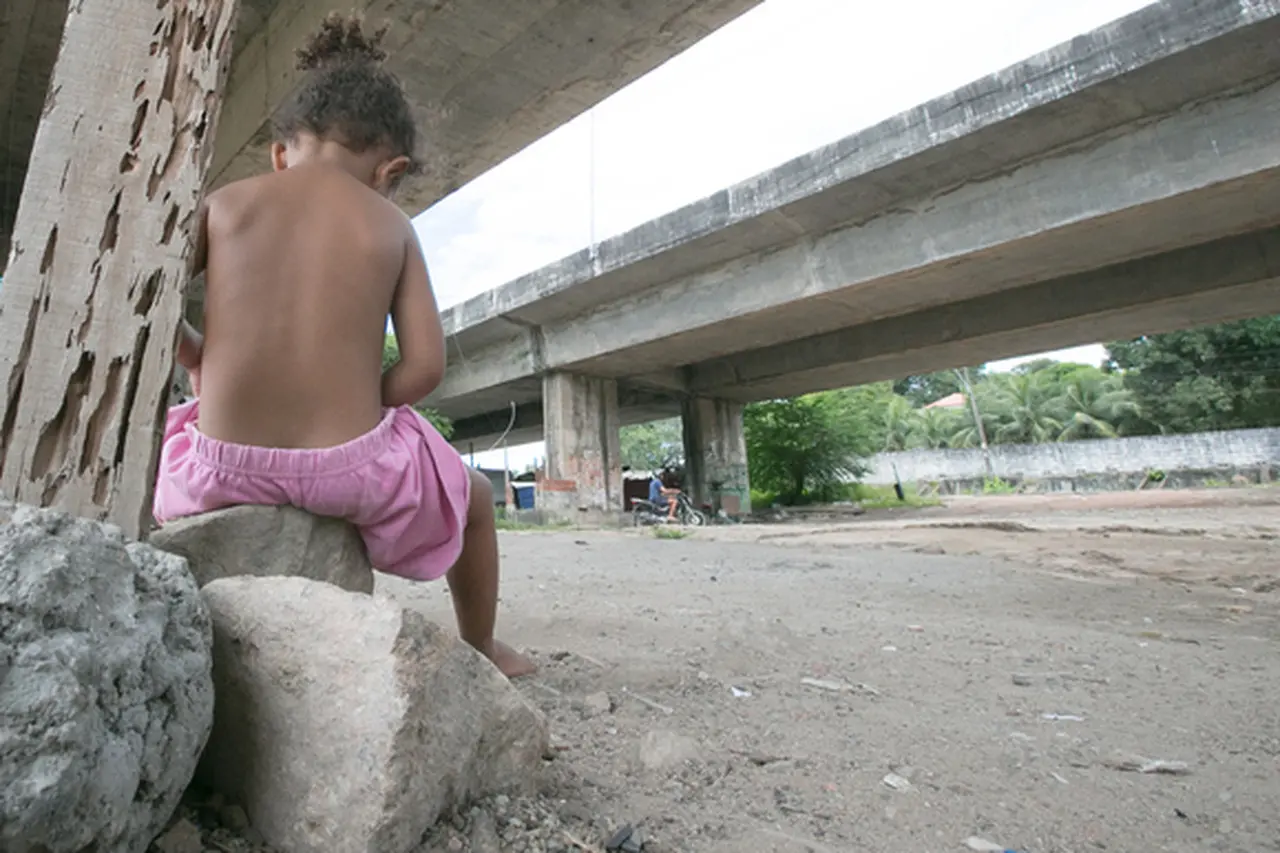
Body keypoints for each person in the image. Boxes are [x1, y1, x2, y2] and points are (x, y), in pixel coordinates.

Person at [153, 13, 534, 679]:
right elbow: (423, 368)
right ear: (390, 169)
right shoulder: (391, 225)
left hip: (220, 467)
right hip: (346, 468)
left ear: (280, 152)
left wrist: (198, 358)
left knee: (176, 421)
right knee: (472, 499)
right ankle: (482, 647)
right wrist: (365, 400)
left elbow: (148, 309)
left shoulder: (224, 205)